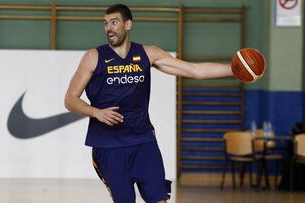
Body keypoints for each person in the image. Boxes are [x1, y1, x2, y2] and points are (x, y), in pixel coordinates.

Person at [65, 4, 233, 203]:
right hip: (109, 146)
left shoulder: (148, 53)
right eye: (106, 23)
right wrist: (96, 112)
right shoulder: (93, 57)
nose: (109, 28)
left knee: (159, 199)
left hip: (143, 141)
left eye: (114, 22)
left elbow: (195, 70)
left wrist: (234, 70)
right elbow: (70, 99)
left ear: (128, 24)